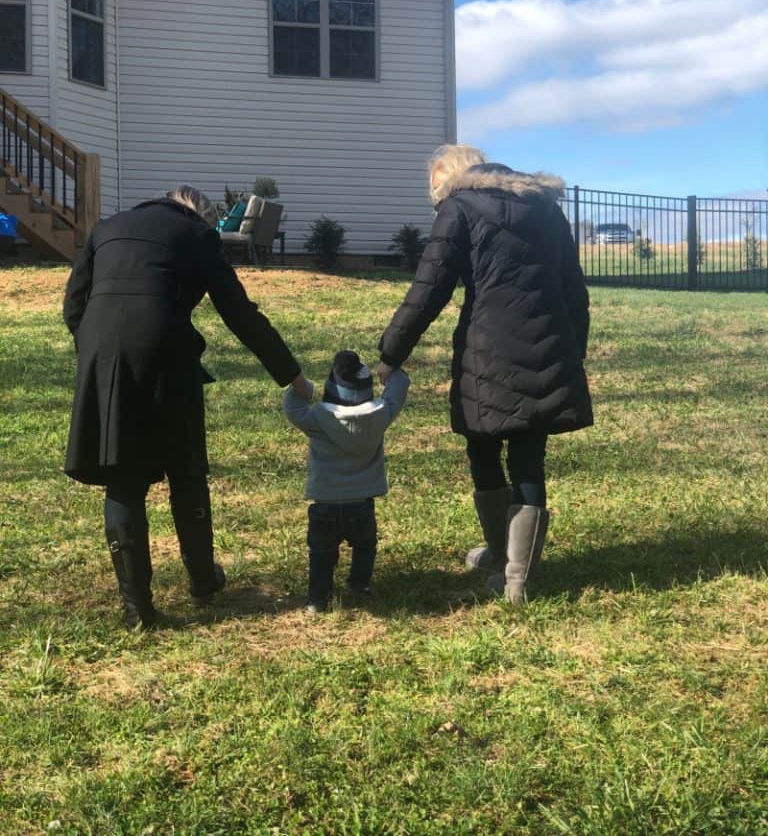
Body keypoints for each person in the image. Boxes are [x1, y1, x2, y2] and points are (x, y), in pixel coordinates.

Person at [62, 185, 312, 628]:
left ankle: (137, 609)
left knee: (123, 479)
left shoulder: (107, 228)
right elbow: (238, 312)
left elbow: (74, 304)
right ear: (201, 214)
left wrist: (97, 353)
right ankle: (202, 581)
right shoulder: (197, 236)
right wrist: (292, 375)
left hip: (102, 351)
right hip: (165, 347)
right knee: (186, 468)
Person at [377, 145, 592, 602]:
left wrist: (391, 352)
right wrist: (574, 352)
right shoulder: (546, 209)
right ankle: (519, 577)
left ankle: (501, 555)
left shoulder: (459, 207)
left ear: (455, 177)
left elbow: (427, 290)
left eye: (435, 188)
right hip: (549, 346)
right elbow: (574, 288)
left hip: (486, 350)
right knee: (529, 458)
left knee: (483, 447)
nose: (433, 198)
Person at [283, 350, 409, 612]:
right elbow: (399, 389)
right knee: (365, 546)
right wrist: (390, 370)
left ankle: (318, 600)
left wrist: (302, 389)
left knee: (320, 554)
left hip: (324, 504)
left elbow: (293, 409)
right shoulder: (380, 415)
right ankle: (359, 583)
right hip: (362, 504)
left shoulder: (317, 418)